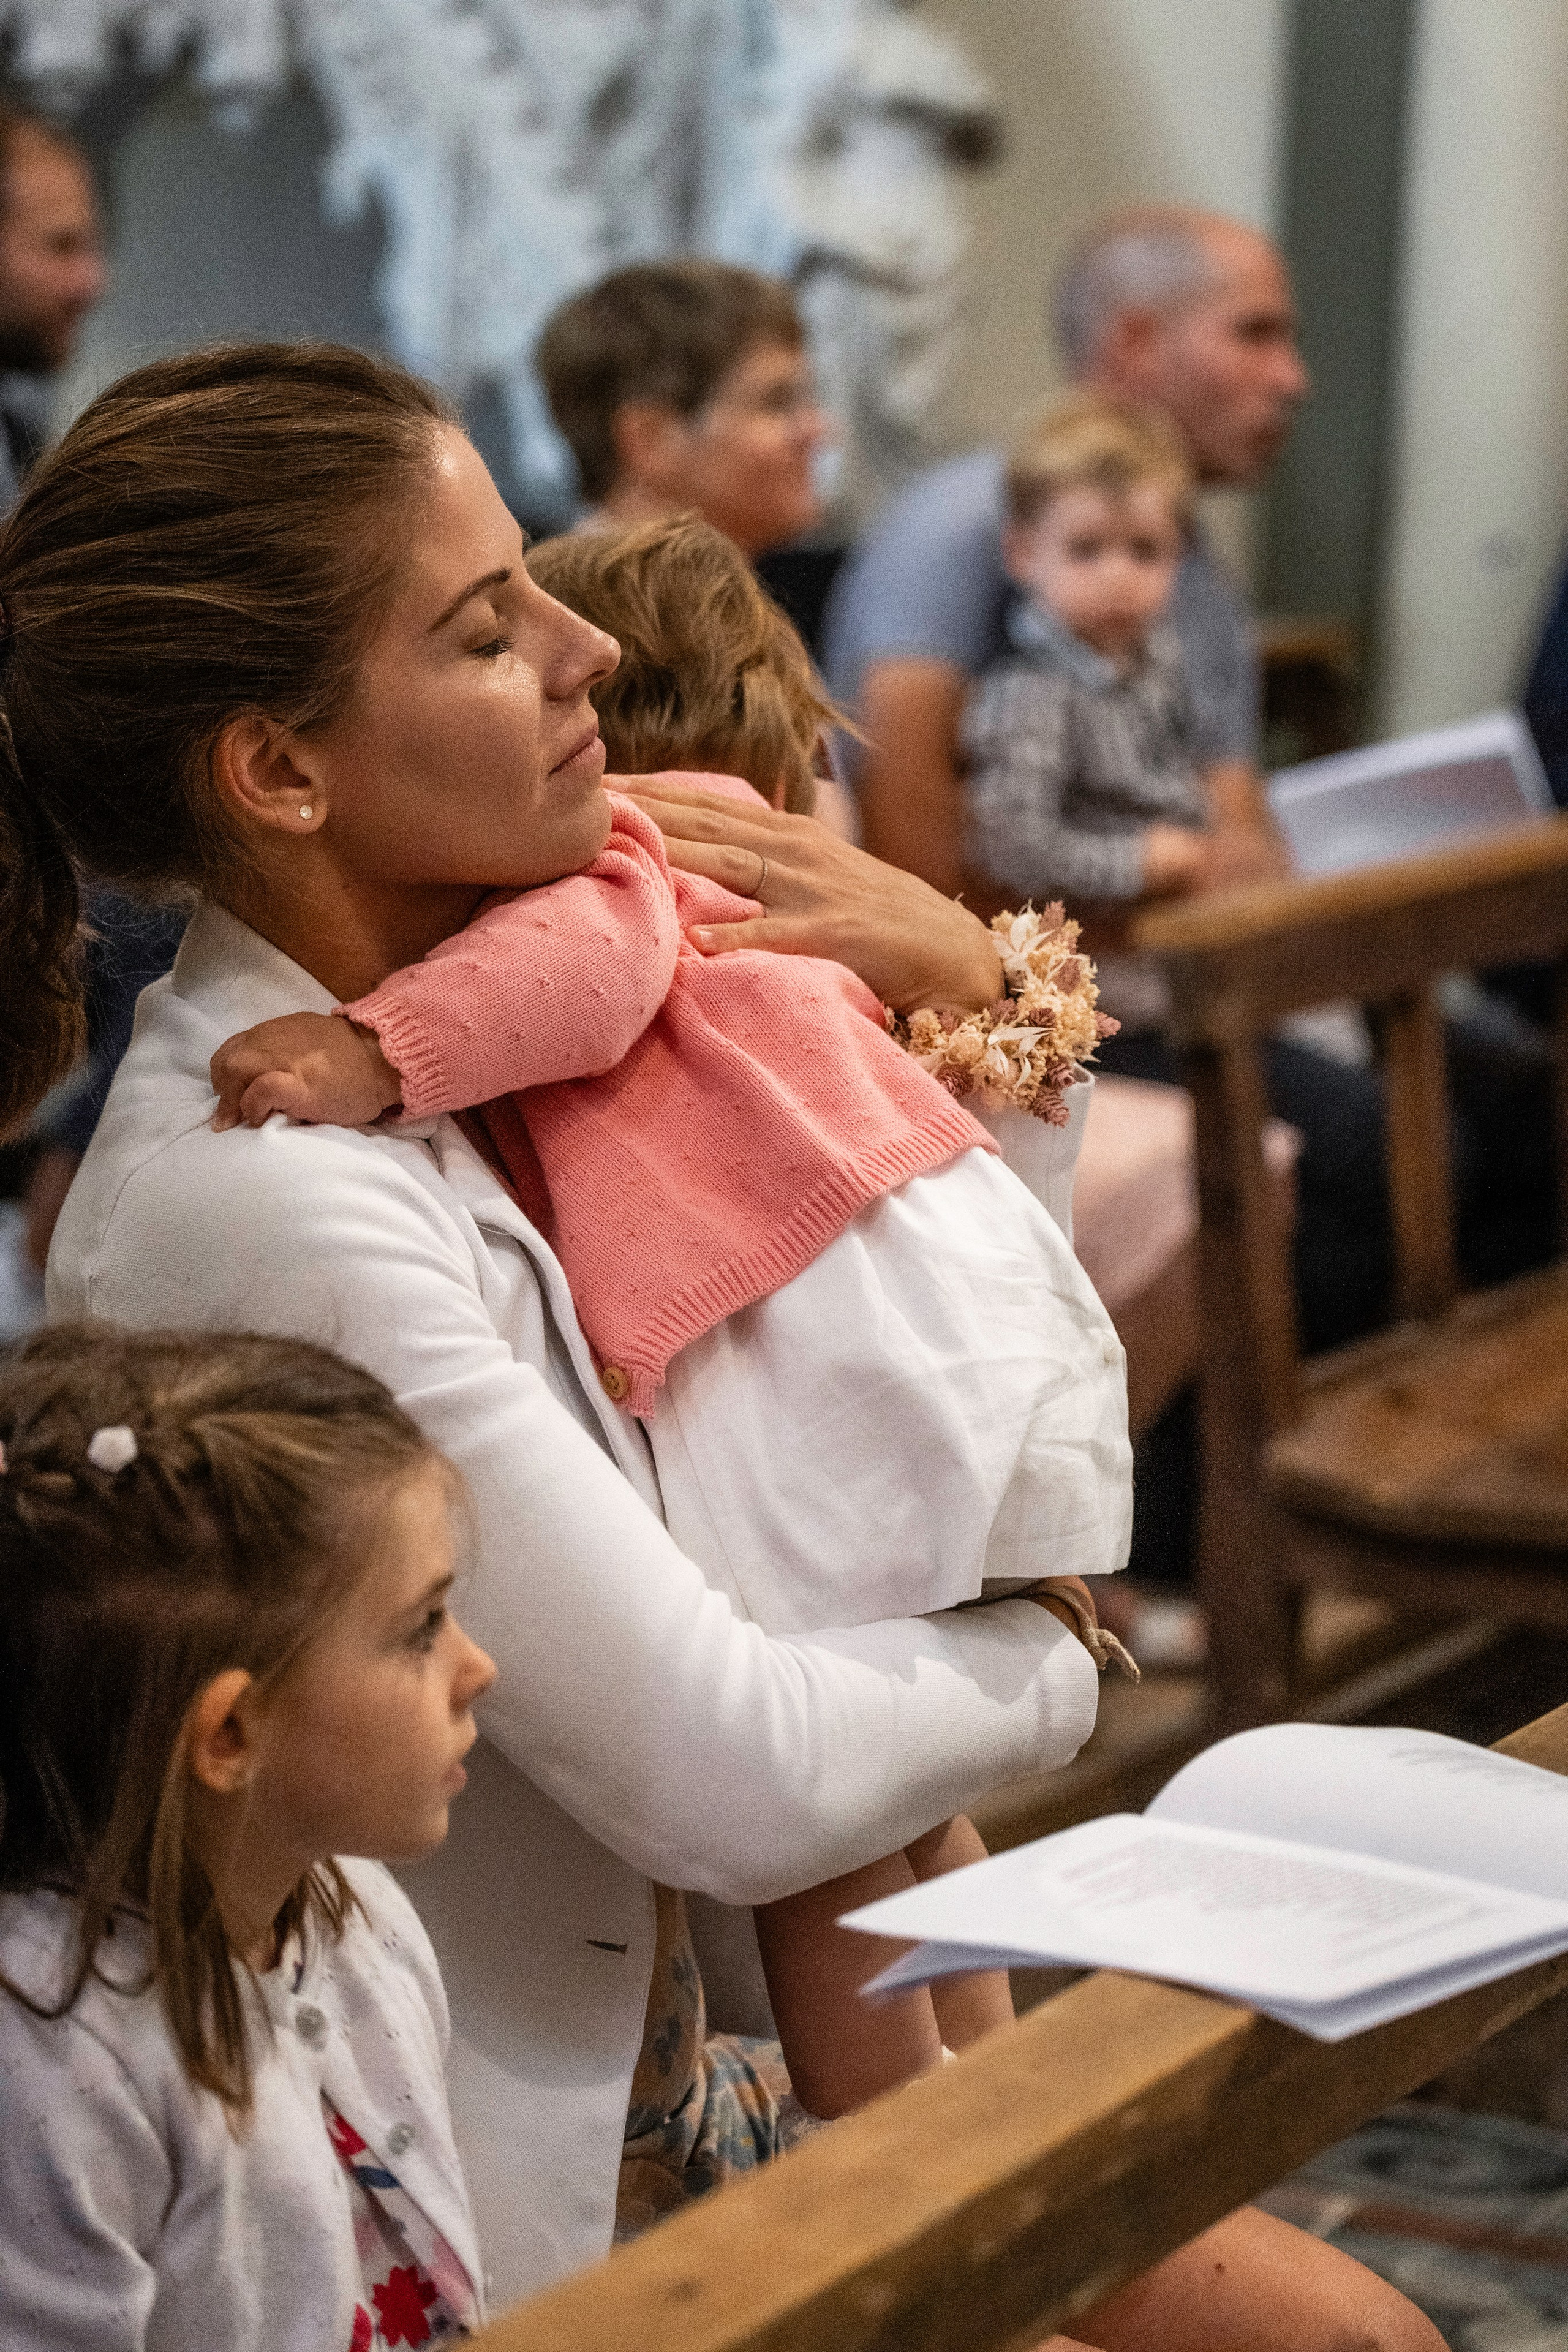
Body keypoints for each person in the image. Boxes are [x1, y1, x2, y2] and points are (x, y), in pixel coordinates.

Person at [7, 342, 1437, 2350]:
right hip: (559, 2158)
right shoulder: (272, 1181)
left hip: (737, 2028)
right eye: (491, 630)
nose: (594, 647)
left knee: (1355, 2337)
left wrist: (963, 986)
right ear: (281, 768)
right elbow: (739, 1772)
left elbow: (894, 1357)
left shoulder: (513, 1013)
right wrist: (1048, 1641)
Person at [205, 511, 1135, 2122]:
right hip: (941, 1316)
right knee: (904, 1834)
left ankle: (907, 2135)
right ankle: (969, 2123)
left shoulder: (622, 855)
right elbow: (743, 1778)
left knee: (845, 1871)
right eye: (490, 636)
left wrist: (378, 1056)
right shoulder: (726, 865)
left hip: (792, 1339)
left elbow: (566, 979)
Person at [0, 1322, 494, 2350]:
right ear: (229, 1734)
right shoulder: (51, 2060)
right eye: (422, 1627)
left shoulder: (351, 1909)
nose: (476, 1666)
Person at [962, 392, 1210, 998]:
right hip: (1091, 970)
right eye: (1086, 549)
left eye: (1145, 551)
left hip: (1171, 938)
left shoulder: (1160, 664)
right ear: (1024, 554)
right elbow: (1011, 847)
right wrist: (1137, 864)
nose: (1117, 576)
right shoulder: (1032, 692)